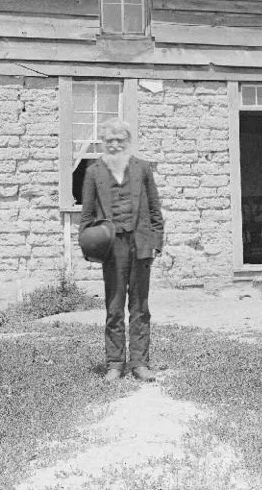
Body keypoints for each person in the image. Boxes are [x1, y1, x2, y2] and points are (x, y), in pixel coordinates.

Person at [79, 119, 165, 382]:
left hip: (140, 244)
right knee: (114, 306)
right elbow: (87, 215)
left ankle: (140, 363)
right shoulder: (94, 172)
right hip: (112, 248)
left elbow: (154, 209)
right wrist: (87, 245)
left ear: (128, 142)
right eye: (109, 141)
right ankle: (115, 363)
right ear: (103, 143)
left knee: (140, 305)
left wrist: (156, 241)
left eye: (120, 140)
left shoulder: (143, 169)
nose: (115, 145)